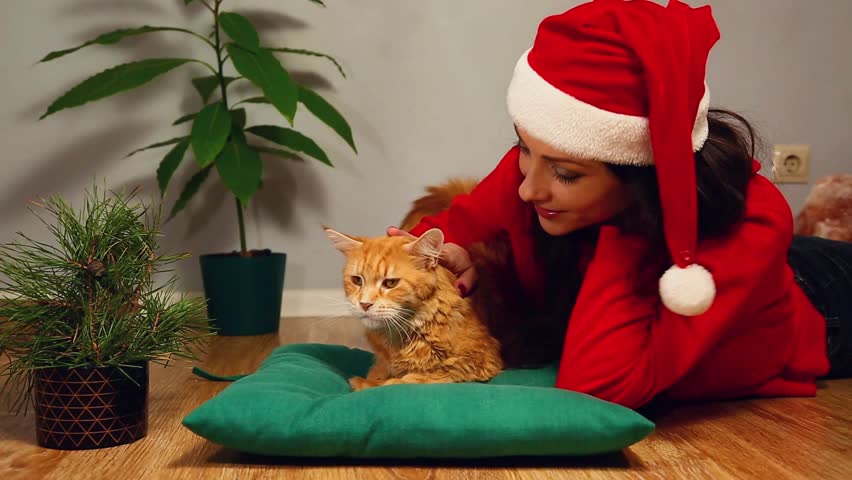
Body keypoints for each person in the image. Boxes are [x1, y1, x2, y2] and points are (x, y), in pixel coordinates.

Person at [390, 0, 851, 409]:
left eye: (566, 174)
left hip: (822, 303)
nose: (528, 189)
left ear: (641, 175)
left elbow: (598, 385)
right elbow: (439, 230)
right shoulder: (534, 171)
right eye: (524, 148)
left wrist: (635, 220)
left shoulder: (749, 223)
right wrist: (450, 256)